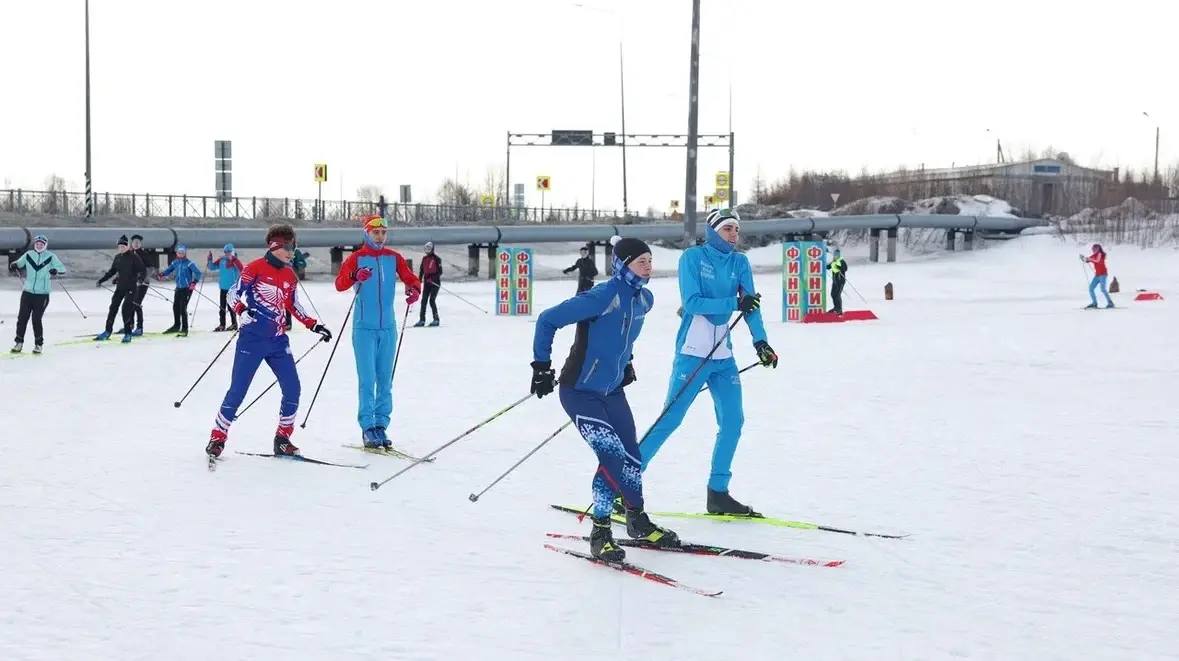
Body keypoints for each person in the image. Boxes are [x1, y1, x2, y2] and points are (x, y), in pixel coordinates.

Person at [532, 235, 679, 562]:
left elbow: (622, 337)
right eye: (641, 262)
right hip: (580, 392)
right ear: (622, 265)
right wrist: (541, 367)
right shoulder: (602, 296)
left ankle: (637, 520)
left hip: (612, 392)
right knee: (612, 456)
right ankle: (600, 533)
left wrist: (626, 363)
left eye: (650, 261)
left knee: (632, 456)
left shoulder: (644, 300)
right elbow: (547, 320)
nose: (648, 267)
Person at [638, 208, 779, 515]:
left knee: (733, 421)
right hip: (692, 353)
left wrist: (761, 342)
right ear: (714, 231)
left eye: (736, 229)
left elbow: (751, 306)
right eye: (728, 229)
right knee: (670, 419)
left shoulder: (740, 262)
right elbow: (692, 302)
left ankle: (718, 492)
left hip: (722, 357)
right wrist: (734, 302)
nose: (734, 234)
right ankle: (622, 484)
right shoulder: (692, 258)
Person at [205, 224, 333, 460]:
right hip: (252, 340)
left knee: (293, 388)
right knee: (238, 390)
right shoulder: (255, 267)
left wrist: (313, 324)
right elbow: (233, 293)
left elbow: (293, 304)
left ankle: (282, 439)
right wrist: (241, 310)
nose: (292, 252)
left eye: (294, 247)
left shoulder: (289, 274)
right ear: (275, 246)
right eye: (289, 247)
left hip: (277, 341)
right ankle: (218, 437)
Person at [335, 215, 422, 448]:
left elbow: (411, 278)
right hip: (364, 328)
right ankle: (367, 427)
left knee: (385, 379)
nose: (380, 237)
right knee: (367, 379)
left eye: (384, 233)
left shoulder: (393, 257)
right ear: (367, 233)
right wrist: (355, 276)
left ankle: (381, 424)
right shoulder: (357, 258)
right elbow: (340, 284)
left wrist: (414, 289)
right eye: (376, 232)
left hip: (388, 328)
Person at [8, 234, 66, 354]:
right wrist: (14, 265)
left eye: (41, 244)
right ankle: (19, 343)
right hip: (27, 292)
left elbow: (62, 269)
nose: (39, 245)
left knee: (36, 319)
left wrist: (55, 270)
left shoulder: (50, 256)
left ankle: (38, 344)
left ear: (45, 245)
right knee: (22, 318)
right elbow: (19, 263)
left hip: (42, 294)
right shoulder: (29, 255)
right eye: (37, 243)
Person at [95, 235, 146, 343]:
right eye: (120, 247)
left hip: (131, 288)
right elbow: (112, 271)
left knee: (125, 310)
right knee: (113, 308)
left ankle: (128, 333)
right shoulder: (118, 257)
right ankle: (107, 331)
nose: (121, 248)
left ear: (127, 246)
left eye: (123, 246)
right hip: (120, 287)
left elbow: (142, 270)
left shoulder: (134, 257)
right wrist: (101, 280)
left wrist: (140, 280)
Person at [157, 245, 202, 337]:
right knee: (176, 307)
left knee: (182, 308)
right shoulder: (175, 262)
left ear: (185, 253)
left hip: (187, 289)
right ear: (177, 253)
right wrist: (162, 274)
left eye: (182, 253)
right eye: (179, 252)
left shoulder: (189, 263)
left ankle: (184, 329)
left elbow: (198, 273)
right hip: (178, 288)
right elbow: (169, 270)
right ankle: (176, 326)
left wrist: (194, 282)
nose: (180, 254)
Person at [207, 244, 244, 331]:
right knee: (222, 307)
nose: (227, 254)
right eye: (226, 252)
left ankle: (234, 324)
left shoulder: (235, 261)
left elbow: (241, 269)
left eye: (229, 252)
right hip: (223, 287)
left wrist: (233, 260)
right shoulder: (222, 260)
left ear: (233, 252)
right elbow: (211, 267)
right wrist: (209, 259)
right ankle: (222, 324)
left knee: (231, 307)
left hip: (232, 288)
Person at [414, 241, 442, 327]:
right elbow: (421, 271)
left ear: (432, 249)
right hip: (427, 283)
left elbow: (440, 272)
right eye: (426, 249)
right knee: (424, 301)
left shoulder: (437, 259)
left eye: (429, 249)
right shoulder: (424, 259)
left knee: (432, 300)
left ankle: (436, 319)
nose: (427, 250)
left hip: (435, 283)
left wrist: (432, 278)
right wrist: (418, 281)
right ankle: (422, 320)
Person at [129, 234, 152, 336]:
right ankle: (129, 325)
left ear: (141, 244)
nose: (136, 244)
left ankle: (140, 328)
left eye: (138, 242)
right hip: (132, 283)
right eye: (134, 242)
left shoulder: (144, 254)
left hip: (142, 284)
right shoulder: (129, 254)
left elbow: (150, 269)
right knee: (130, 304)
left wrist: (143, 279)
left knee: (136, 304)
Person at [1082, 243, 1115, 309]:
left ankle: (1110, 303)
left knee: (1103, 289)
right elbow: (1088, 259)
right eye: (1093, 249)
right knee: (1091, 288)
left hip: (1103, 274)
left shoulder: (1100, 254)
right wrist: (1084, 258)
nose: (1093, 250)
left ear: (1098, 249)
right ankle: (1094, 303)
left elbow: (1097, 260)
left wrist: (1089, 259)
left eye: (1094, 248)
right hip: (1097, 275)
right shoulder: (1094, 255)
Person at [827, 247, 848, 315]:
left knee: (837, 295)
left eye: (837, 254)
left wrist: (838, 267)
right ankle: (835, 307)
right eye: (835, 254)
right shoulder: (834, 261)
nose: (835, 256)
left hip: (840, 281)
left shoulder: (841, 261)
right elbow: (828, 267)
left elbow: (845, 268)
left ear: (839, 255)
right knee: (833, 294)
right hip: (835, 281)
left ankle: (839, 309)